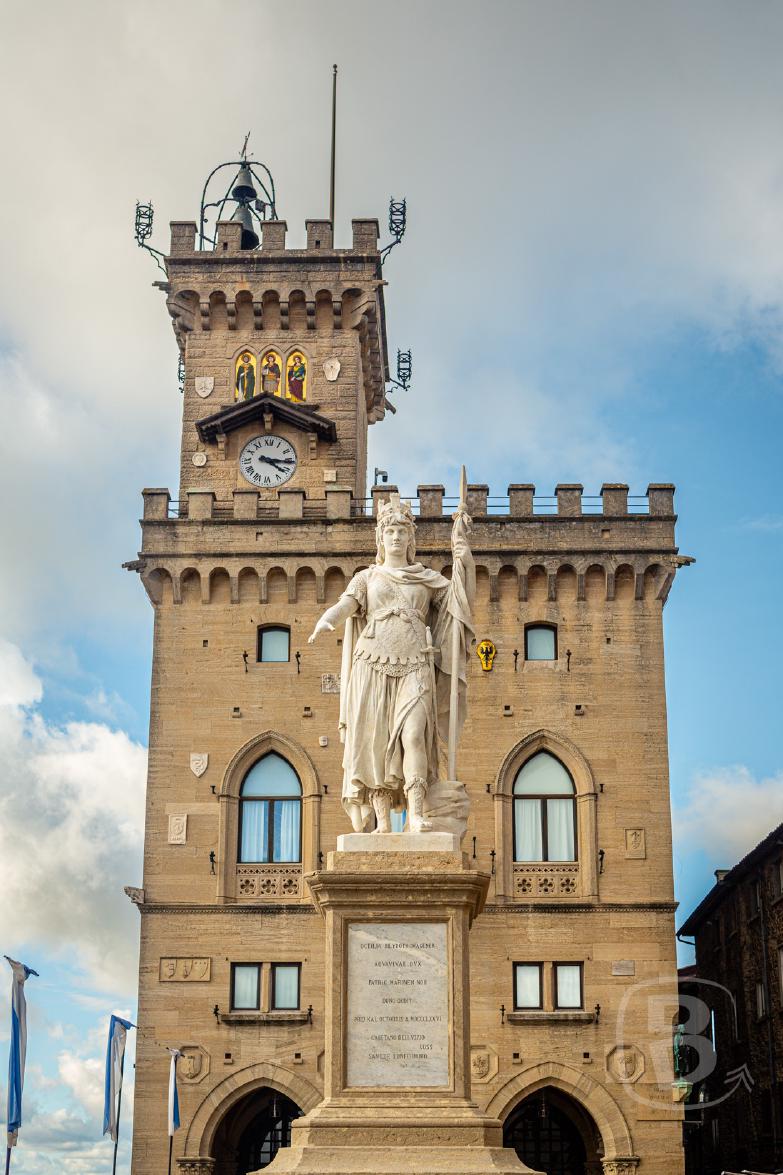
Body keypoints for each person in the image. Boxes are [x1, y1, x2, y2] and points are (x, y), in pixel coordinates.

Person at [308, 495, 474, 834]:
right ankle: (382, 822)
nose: (396, 537)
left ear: (410, 540)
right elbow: (345, 606)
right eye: (390, 532)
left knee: (414, 735)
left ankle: (415, 815)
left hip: (416, 664)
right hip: (371, 664)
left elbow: (459, 604)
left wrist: (464, 558)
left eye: (401, 532)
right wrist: (326, 621)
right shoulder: (367, 577)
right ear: (381, 539)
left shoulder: (426, 579)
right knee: (375, 744)